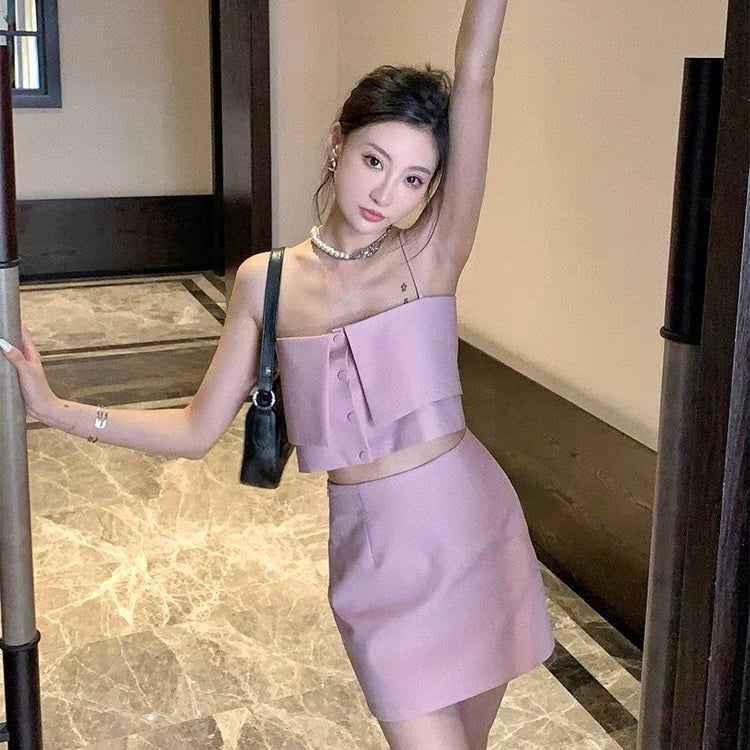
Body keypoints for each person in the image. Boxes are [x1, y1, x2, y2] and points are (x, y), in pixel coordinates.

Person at [1, 1, 554, 747]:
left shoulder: (430, 255)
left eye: (414, 179)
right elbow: (197, 429)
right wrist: (59, 409)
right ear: (337, 143)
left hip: (473, 531)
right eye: (374, 160)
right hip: (374, 558)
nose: (385, 194)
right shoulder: (266, 282)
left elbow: (477, 73)